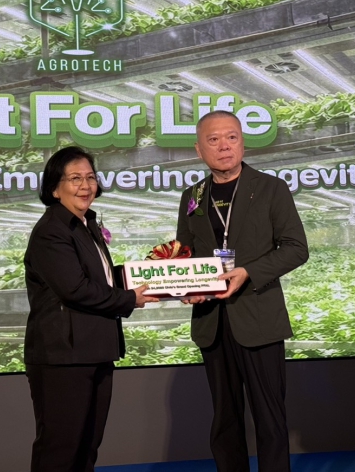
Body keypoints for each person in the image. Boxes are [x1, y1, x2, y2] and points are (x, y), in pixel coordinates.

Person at [176, 111, 308, 472]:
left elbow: (296, 248)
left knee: (269, 417)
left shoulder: (270, 188)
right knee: (225, 418)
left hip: (258, 317)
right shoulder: (192, 196)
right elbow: (185, 253)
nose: (224, 146)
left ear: (242, 143)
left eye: (231, 137)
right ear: (199, 149)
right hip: (212, 321)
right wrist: (185, 285)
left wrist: (249, 272)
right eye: (214, 140)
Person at [24, 145, 158, 472]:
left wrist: (155, 275)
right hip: (64, 357)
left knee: (87, 446)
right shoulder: (51, 231)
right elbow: (75, 289)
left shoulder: (85, 224)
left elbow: (101, 279)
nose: (85, 186)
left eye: (90, 177)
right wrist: (130, 298)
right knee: (61, 448)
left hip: (93, 350)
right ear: (54, 189)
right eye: (75, 179)